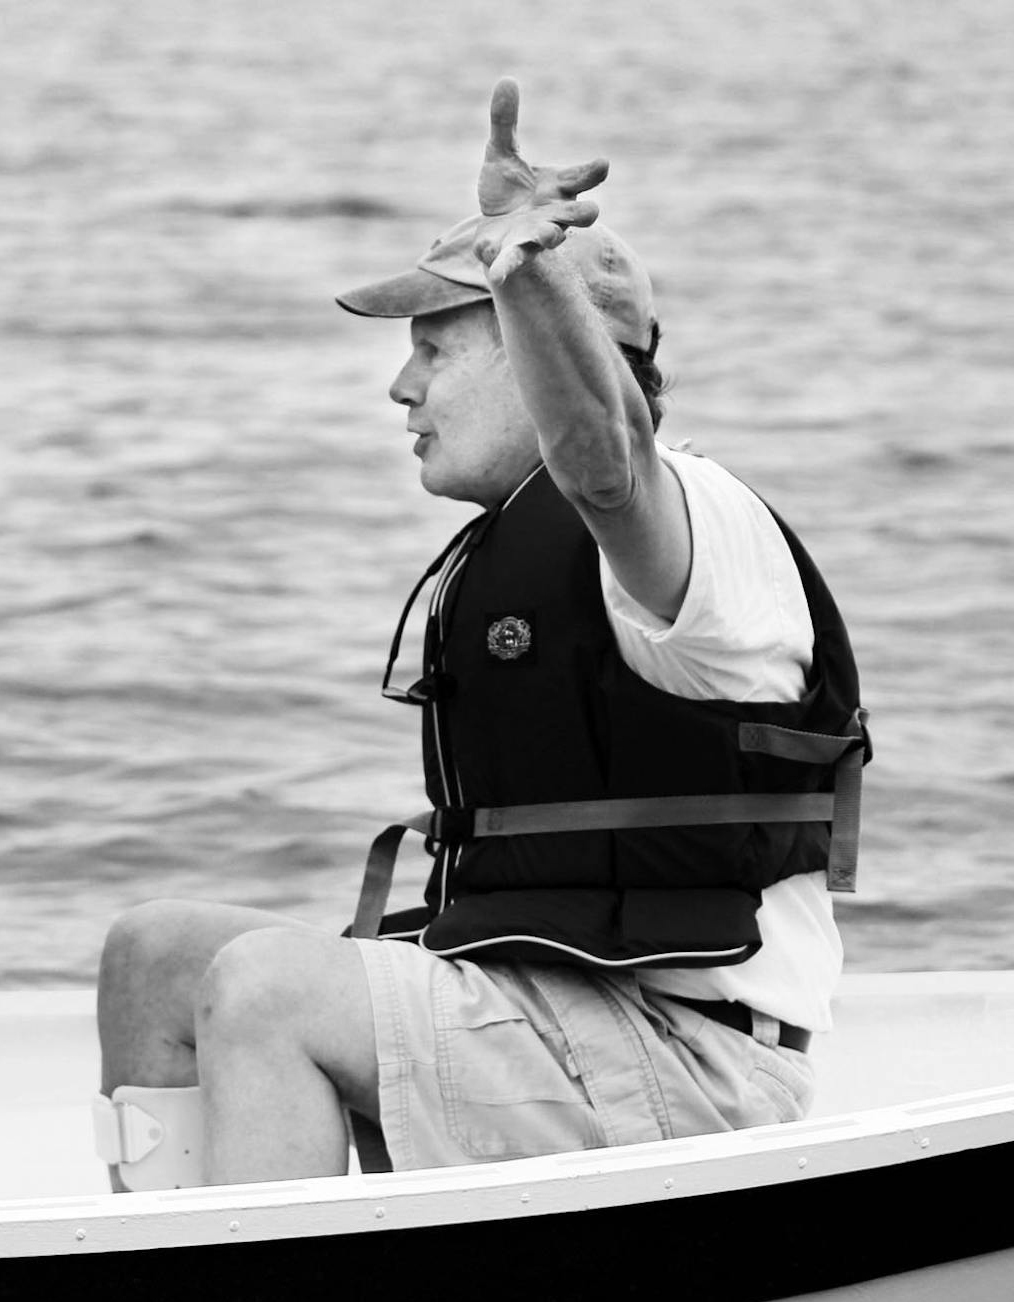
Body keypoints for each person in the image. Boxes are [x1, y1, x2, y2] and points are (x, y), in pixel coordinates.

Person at [93, 79, 868, 1187]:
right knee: (155, 954)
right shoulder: (529, 532)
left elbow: (606, 457)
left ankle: (260, 1278)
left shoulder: (682, 520)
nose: (399, 388)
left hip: (689, 1065)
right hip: (558, 1016)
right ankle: (161, 1261)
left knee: (268, 988)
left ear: (533, 351)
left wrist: (529, 275)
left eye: (435, 351)